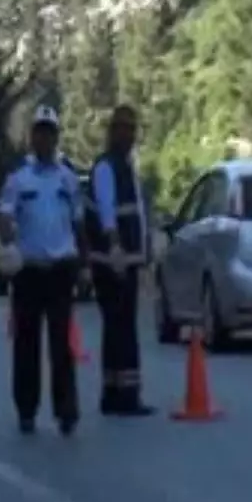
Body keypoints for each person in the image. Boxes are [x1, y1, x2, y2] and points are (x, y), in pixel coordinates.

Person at [0, 105, 85, 436]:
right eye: (40, 132)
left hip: (61, 268)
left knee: (62, 344)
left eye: (50, 132)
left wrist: (85, 265)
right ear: (32, 137)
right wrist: (7, 240)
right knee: (27, 344)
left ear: (56, 137)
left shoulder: (67, 179)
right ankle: (26, 410)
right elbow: (6, 215)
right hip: (30, 271)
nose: (45, 138)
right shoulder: (19, 179)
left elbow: (78, 223)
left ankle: (66, 411)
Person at [86, 105, 155, 416]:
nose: (128, 135)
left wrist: (144, 250)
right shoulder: (106, 168)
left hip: (127, 260)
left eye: (132, 129)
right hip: (111, 261)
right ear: (112, 132)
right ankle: (124, 396)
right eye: (123, 129)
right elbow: (106, 210)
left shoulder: (126, 167)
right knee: (120, 328)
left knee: (120, 327)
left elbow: (136, 213)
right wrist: (114, 247)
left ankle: (115, 392)